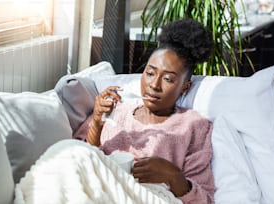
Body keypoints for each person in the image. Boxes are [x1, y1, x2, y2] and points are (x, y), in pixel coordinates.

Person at [86, 18, 214, 204]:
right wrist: (97, 123)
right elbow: (85, 159)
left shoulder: (194, 126)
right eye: (150, 73)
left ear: (185, 87)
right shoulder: (117, 110)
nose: (154, 85)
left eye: (168, 79)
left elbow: (205, 199)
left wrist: (173, 175)